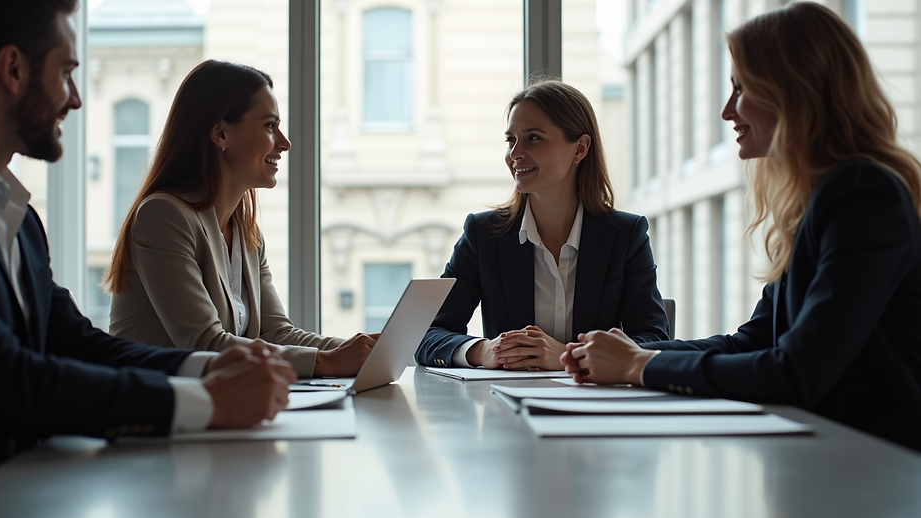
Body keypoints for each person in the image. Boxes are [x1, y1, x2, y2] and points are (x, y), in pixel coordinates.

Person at [0, 0, 296, 494]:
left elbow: (77, 344)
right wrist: (206, 403)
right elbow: (3, 379)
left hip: (13, 499)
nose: (76, 99)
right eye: (66, 72)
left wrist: (211, 367)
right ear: (13, 69)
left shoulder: (16, 218)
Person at [562, 2, 921, 452]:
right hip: (826, 457)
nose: (727, 111)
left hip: (873, 467)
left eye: (740, 89)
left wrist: (638, 366)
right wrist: (629, 353)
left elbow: (796, 372)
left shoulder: (863, 193)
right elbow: (750, 341)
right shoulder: (822, 199)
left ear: (794, 91)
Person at [106, 60, 375, 378]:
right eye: (270, 126)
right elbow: (205, 344)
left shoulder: (246, 233)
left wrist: (360, 351)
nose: (284, 143)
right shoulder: (163, 217)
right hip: (156, 410)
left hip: (215, 405)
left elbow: (276, 334)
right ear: (221, 133)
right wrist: (326, 363)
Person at [416, 79, 669, 371]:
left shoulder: (626, 235)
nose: (515, 154)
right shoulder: (483, 234)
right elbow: (427, 335)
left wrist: (568, 356)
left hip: (595, 410)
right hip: (507, 409)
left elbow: (654, 340)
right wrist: (484, 351)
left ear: (580, 148)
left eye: (533, 138)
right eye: (511, 140)